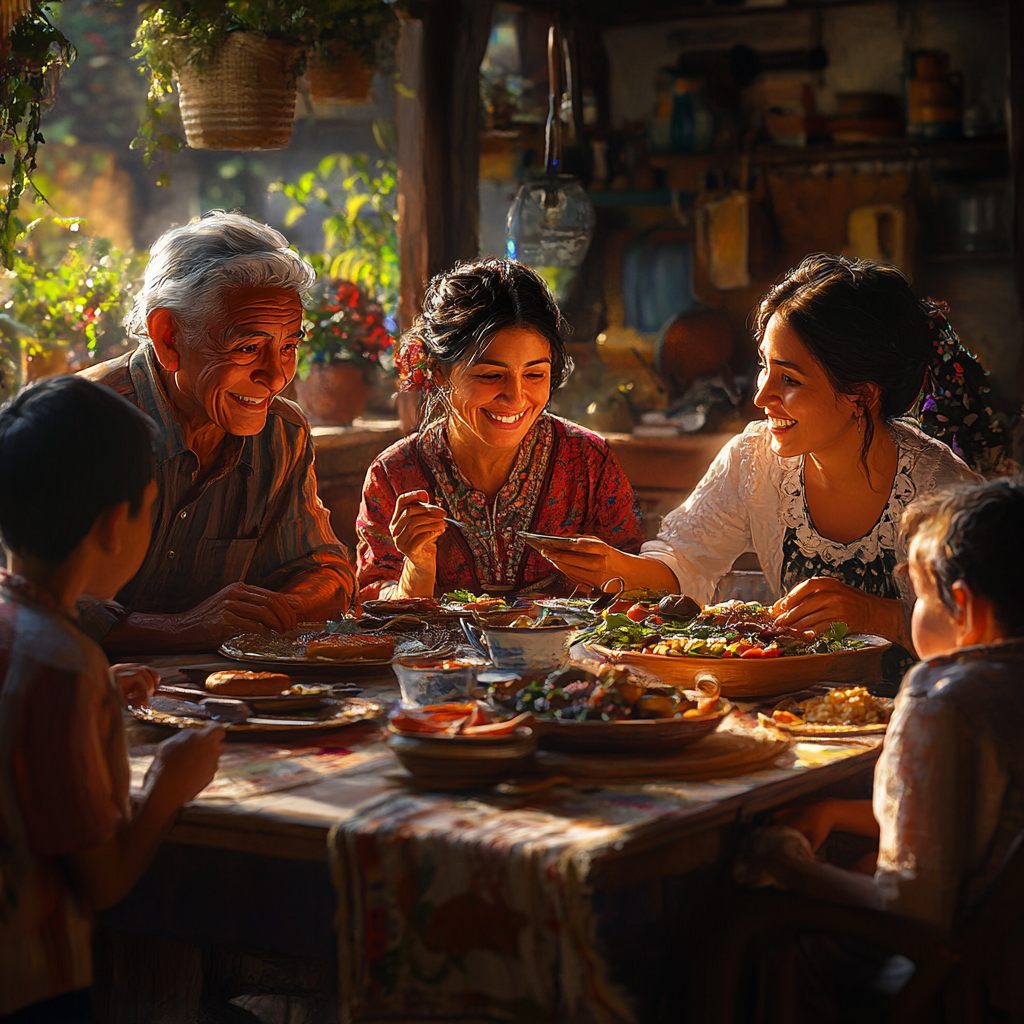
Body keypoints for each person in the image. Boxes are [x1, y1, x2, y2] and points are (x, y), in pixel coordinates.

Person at [542, 254, 1000, 684]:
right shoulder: (755, 461)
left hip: (915, 713)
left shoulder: (938, 491)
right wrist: (613, 566)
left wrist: (876, 615)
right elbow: (686, 560)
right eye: (764, 366)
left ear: (861, 395)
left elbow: (989, 638)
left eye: (790, 379)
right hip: (794, 713)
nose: (761, 397)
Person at [736, 478, 1024, 1020]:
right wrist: (833, 812)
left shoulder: (945, 696)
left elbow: (912, 911)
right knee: (861, 856)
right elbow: (975, 814)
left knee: (732, 925)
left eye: (917, 595)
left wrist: (790, 864)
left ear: (963, 606)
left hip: (962, 983)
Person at [0, 377, 224, 1022]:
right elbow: (104, 881)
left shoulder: (39, 649)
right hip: (35, 982)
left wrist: (100, 701)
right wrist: (168, 784)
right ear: (110, 526)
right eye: (152, 505)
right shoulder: (67, 666)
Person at [79, 211, 355, 652]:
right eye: (247, 347)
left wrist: (278, 611)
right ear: (169, 337)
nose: (276, 377)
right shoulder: (77, 424)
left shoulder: (280, 434)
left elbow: (323, 569)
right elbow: (26, 600)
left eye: (288, 347)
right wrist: (179, 629)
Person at [356, 257, 645, 600]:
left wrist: (612, 569)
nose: (516, 398)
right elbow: (373, 606)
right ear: (438, 372)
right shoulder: (395, 475)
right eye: (491, 375)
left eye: (535, 374)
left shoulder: (586, 461)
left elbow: (639, 593)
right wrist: (417, 567)